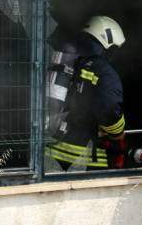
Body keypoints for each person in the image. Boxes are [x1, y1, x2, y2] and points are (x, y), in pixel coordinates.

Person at [45, 16, 127, 171]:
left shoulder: (76, 63)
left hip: (58, 147)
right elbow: (109, 108)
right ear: (108, 43)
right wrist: (118, 134)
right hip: (82, 153)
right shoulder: (104, 73)